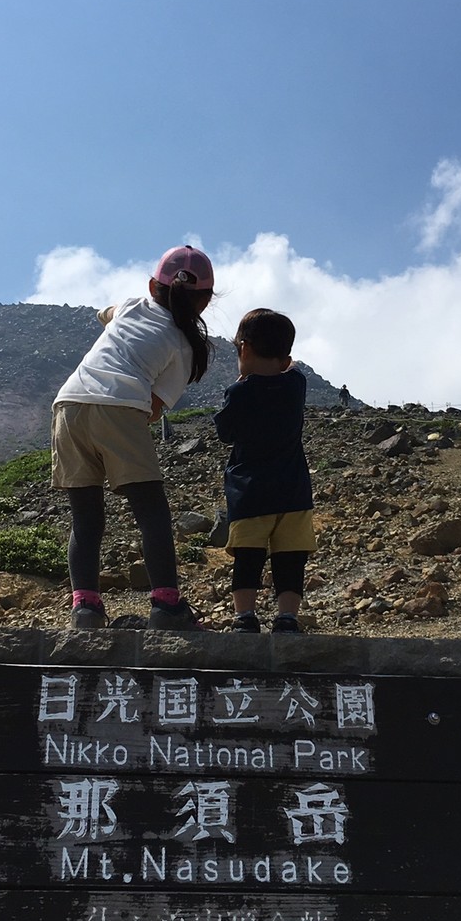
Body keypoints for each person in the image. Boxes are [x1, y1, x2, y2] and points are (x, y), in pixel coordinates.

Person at [52, 245, 214, 631]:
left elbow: (104, 314)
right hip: (120, 406)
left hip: (68, 404)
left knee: (86, 518)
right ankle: (166, 605)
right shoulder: (185, 345)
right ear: (205, 302)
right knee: (150, 511)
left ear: (151, 286)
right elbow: (153, 406)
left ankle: (86, 608)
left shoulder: (130, 305)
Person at [213, 308, 314, 634]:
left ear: (243, 349)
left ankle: (245, 617)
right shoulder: (296, 385)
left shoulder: (239, 393)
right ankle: (287, 618)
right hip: (293, 492)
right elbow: (294, 368)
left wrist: (241, 383)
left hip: (249, 492)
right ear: (285, 358)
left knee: (248, 557)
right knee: (290, 558)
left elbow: (225, 433)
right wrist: (284, 363)